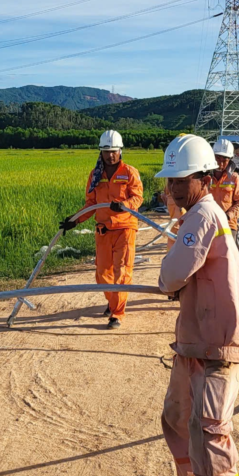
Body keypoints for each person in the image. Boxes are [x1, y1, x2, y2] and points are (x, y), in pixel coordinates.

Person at [155, 134, 239, 476]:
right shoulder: (195, 214)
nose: (173, 188)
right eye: (170, 180)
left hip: (219, 342)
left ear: (203, 178)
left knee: (209, 431)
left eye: (180, 180)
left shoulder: (203, 215)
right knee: (176, 420)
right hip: (196, 336)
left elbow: (172, 274)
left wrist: (169, 278)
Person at [62, 130, 143, 329]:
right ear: (101, 152)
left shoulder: (129, 172)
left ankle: (117, 314)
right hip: (103, 231)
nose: (110, 155)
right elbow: (91, 204)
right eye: (106, 151)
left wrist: (123, 204)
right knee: (102, 274)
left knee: (122, 273)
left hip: (125, 228)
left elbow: (138, 198)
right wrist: (74, 221)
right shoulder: (95, 175)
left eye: (114, 151)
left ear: (120, 151)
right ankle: (113, 301)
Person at [209, 138, 239, 231]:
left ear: (230, 160)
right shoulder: (205, 178)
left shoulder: (235, 179)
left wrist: (228, 215)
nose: (221, 163)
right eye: (218, 158)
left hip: (228, 224)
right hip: (208, 223)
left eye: (225, 160)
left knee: (228, 245)